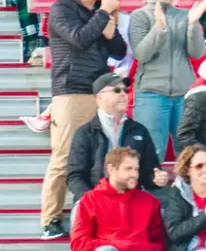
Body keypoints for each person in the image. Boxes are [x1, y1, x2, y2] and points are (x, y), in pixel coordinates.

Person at [39, 0, 125, 238]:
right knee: (64, 156)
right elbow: (78, 39)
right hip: (72, 91)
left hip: (99, 90)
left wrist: (110, 22)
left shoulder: (98, 11)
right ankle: (50, 219)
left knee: (99, 155)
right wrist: (103, 15)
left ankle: (92, 214)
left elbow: (119, 52)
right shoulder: (62, 8)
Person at [66, 71, 165, 204]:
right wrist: (92, 199)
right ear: (99, 97)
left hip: (130, 200)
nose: (124, 94)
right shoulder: (84, 133)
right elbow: (74, 177)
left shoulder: (139, 130)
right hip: (94, 200)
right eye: (117, 90)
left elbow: (149, 172)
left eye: (125, 90)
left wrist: (155, 178)